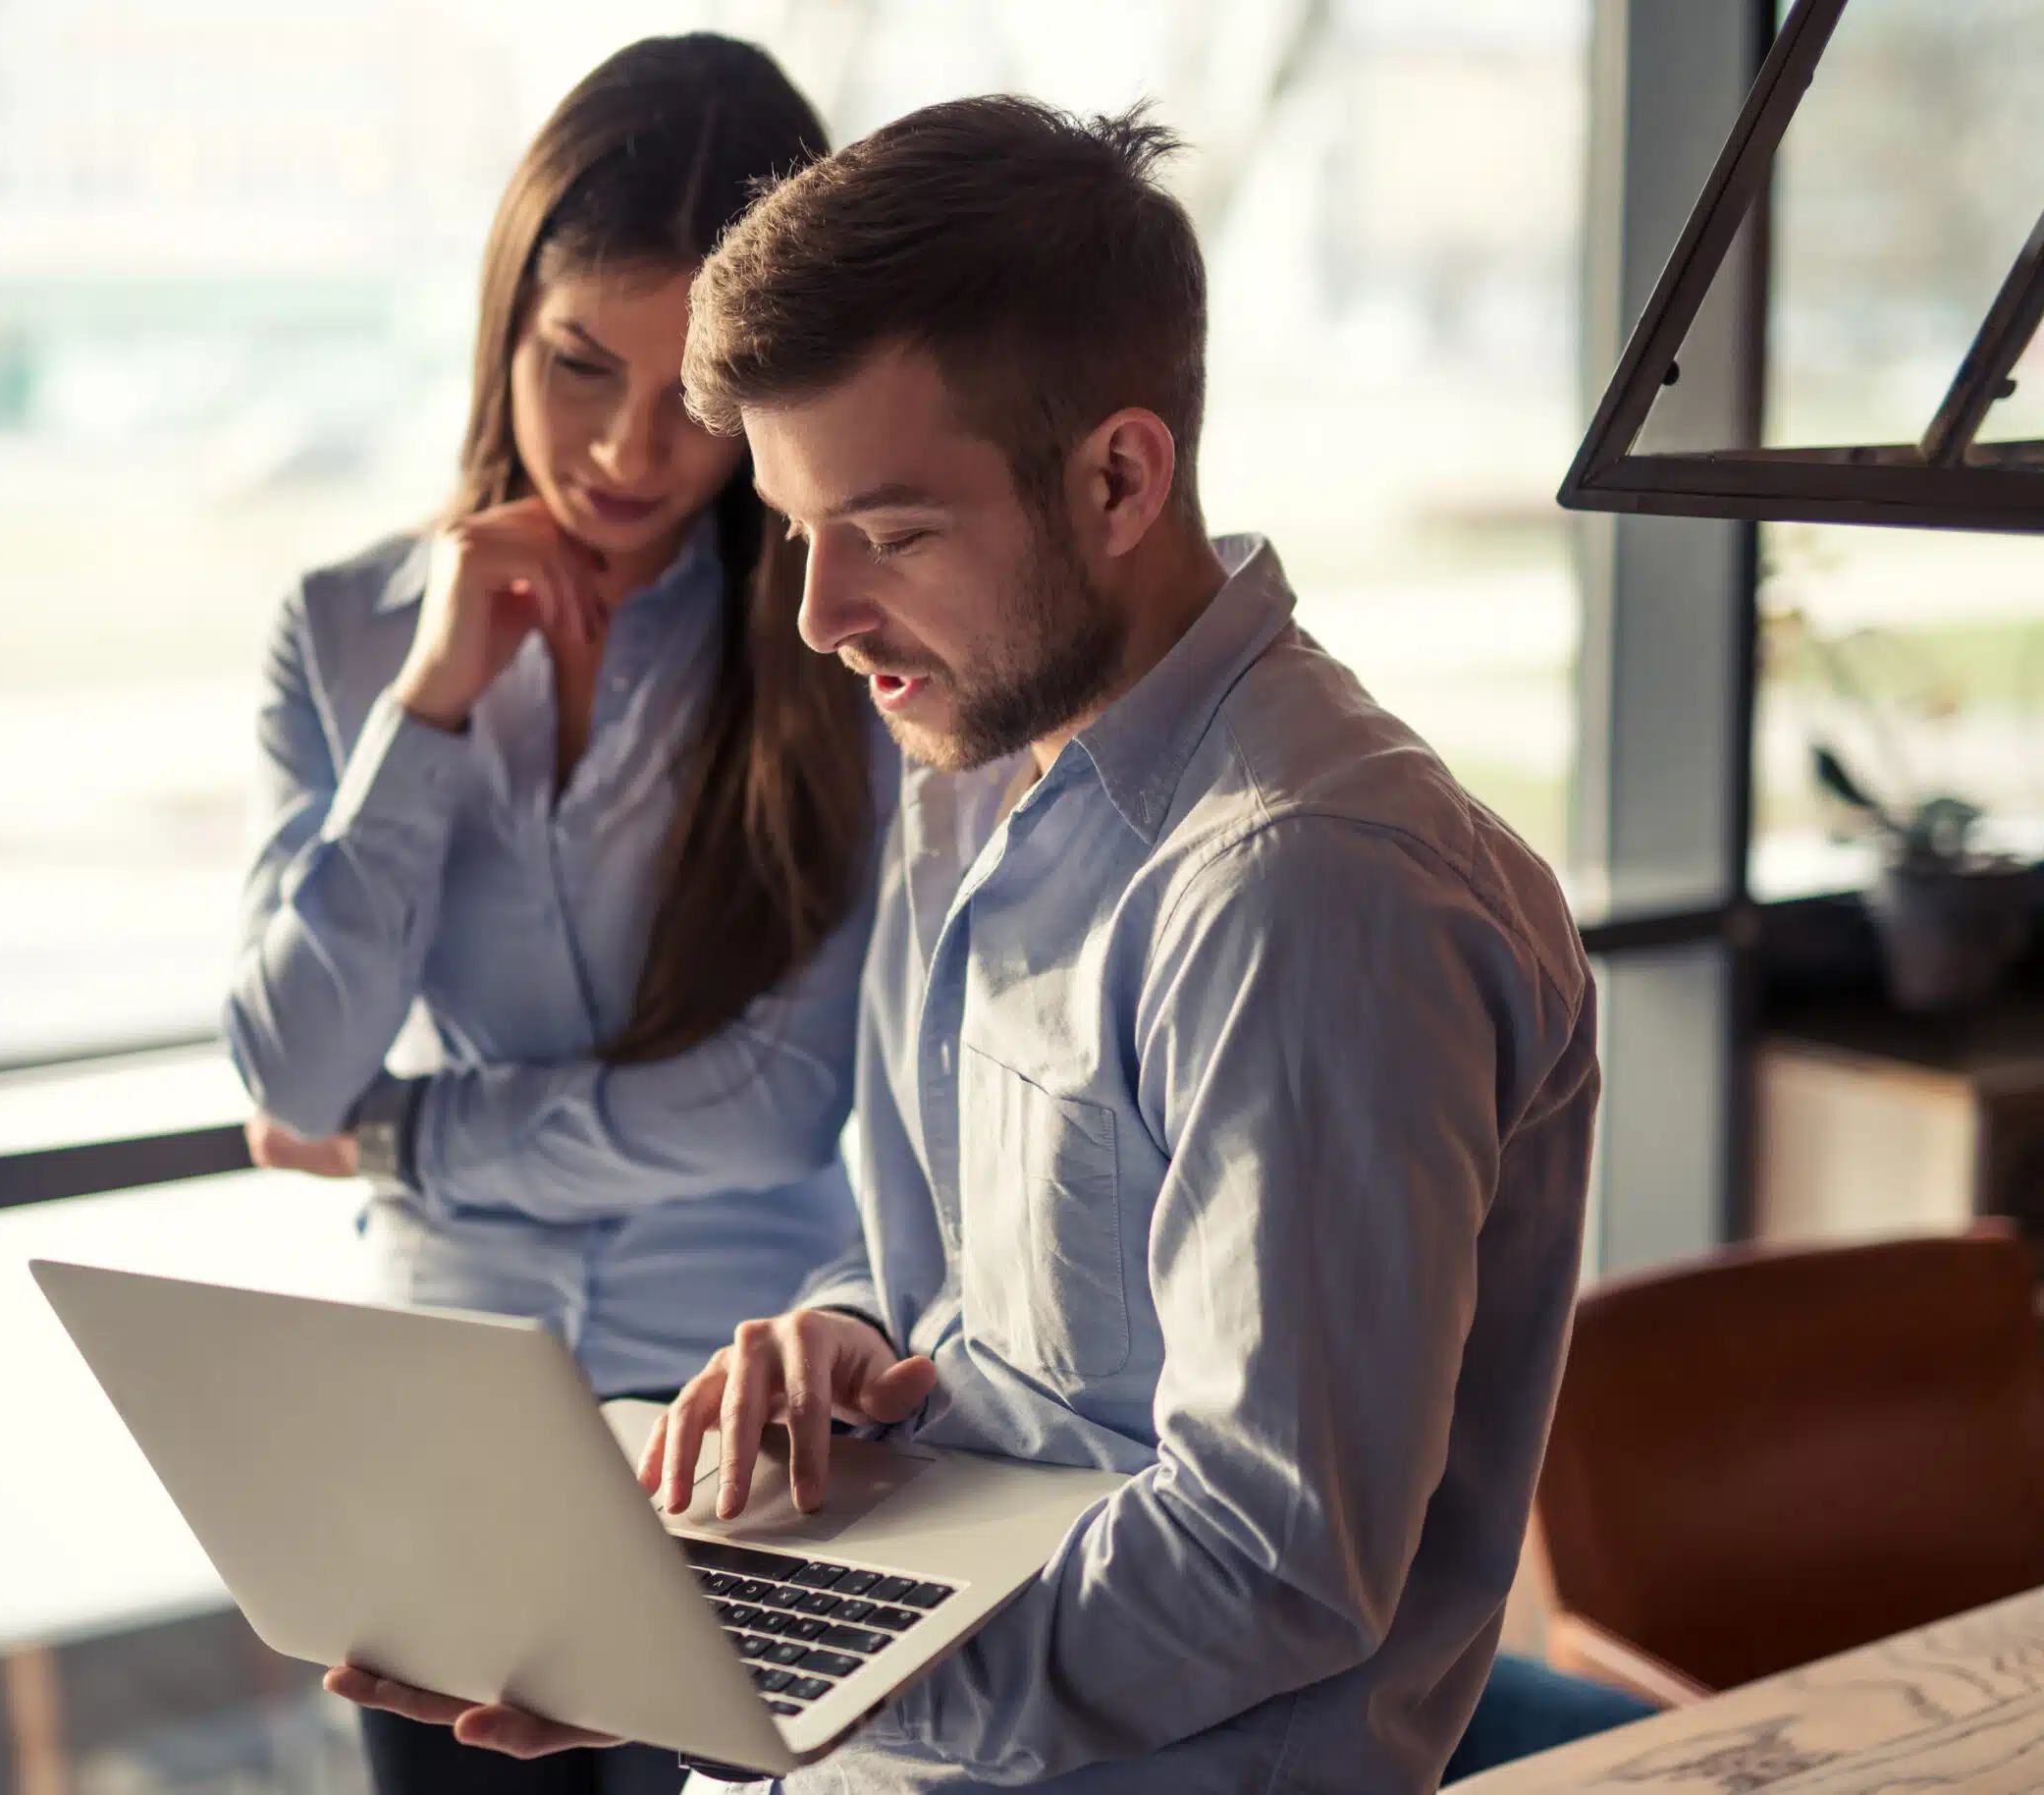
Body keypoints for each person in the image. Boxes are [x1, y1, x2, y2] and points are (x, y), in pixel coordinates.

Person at [329, 96, 1599, 1793]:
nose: (820, 618)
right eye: (795, 531)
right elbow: (967, 1310)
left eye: (893, 533)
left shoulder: (1306, 892)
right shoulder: (968, 779)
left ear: (1122, 477)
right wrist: (849, 1346)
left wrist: (757, 1671)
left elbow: (1269, 1563)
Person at [225, 36, 882, 1795]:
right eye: (577, 363)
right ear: (505, 322)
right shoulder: (347, 630)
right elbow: (292, 1060)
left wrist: (406, 1138)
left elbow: (777, 1105)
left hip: (734, 1416)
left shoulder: (840, 656)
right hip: (434, 1422)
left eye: (694, 398)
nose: (621, 447)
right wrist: (430, 709)